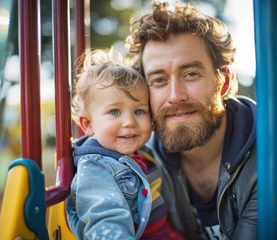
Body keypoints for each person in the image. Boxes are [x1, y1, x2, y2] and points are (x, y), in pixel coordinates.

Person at [126, 1, 257, 240]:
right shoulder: (141, 164)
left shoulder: (268, 156)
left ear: (224, 82)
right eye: (158, 80)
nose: (175, 96)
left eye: (191, 74)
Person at [65, 49, 185, 239]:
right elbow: (107, 220)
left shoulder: (142, 153)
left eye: (139, 111)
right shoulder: (95, 168)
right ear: (88, 124)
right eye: (114, 112)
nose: (129, 122)